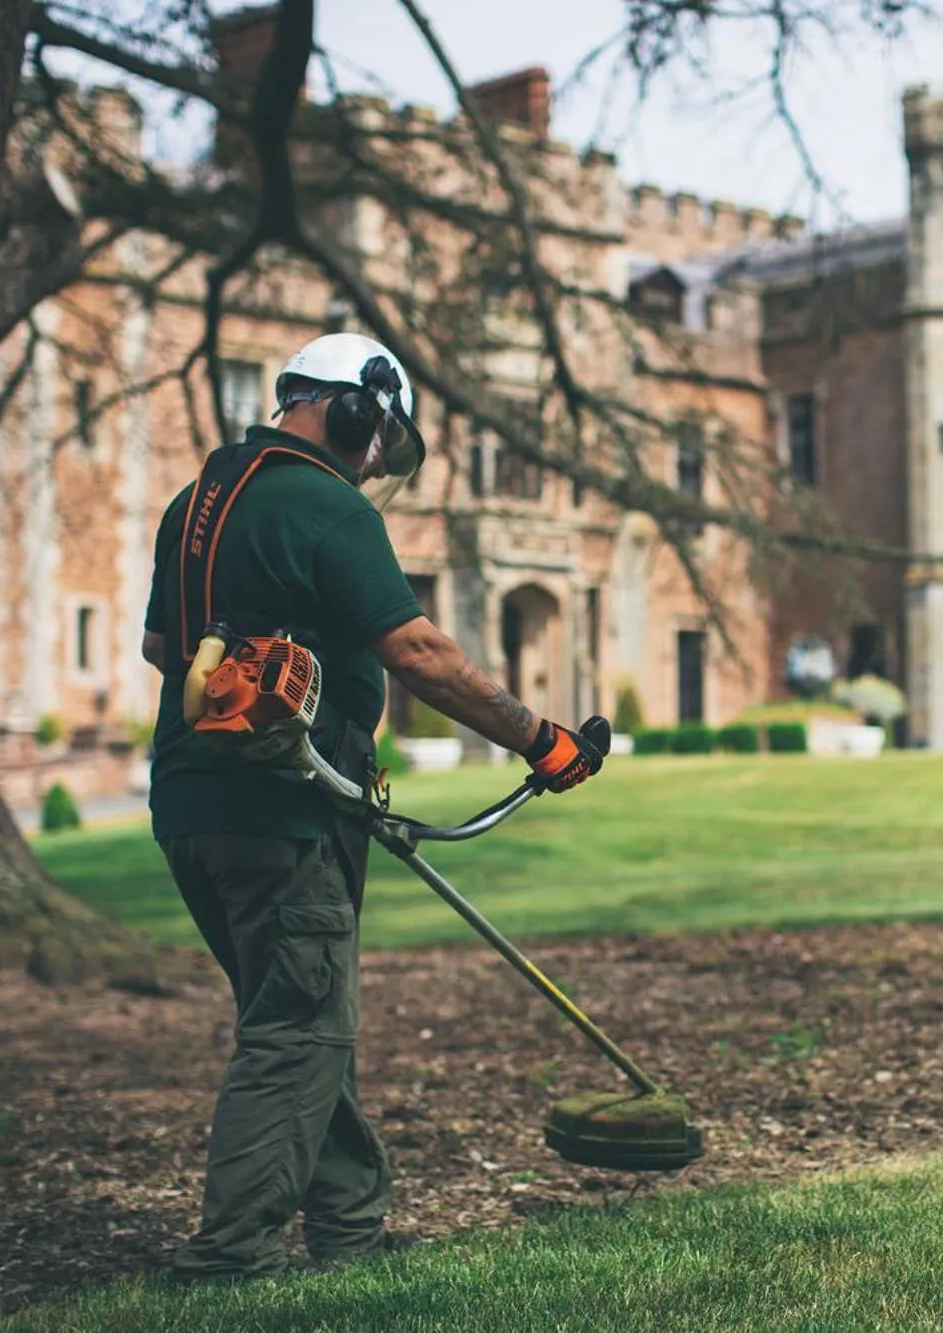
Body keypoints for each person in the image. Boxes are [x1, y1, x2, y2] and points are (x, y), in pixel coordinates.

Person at [139, 332, 601, 1280]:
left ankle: (349, 1226)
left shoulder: (197, 503)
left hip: (194, 806)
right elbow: (420, 653)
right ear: (353, 408)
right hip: (280, 810)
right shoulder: (322, 500)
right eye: (379, 433)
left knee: (300, 1016)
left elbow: (161, 647)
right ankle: (231, 1258)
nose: (377, 457)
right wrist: (538, 739)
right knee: (300, 1027)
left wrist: (282, 689)